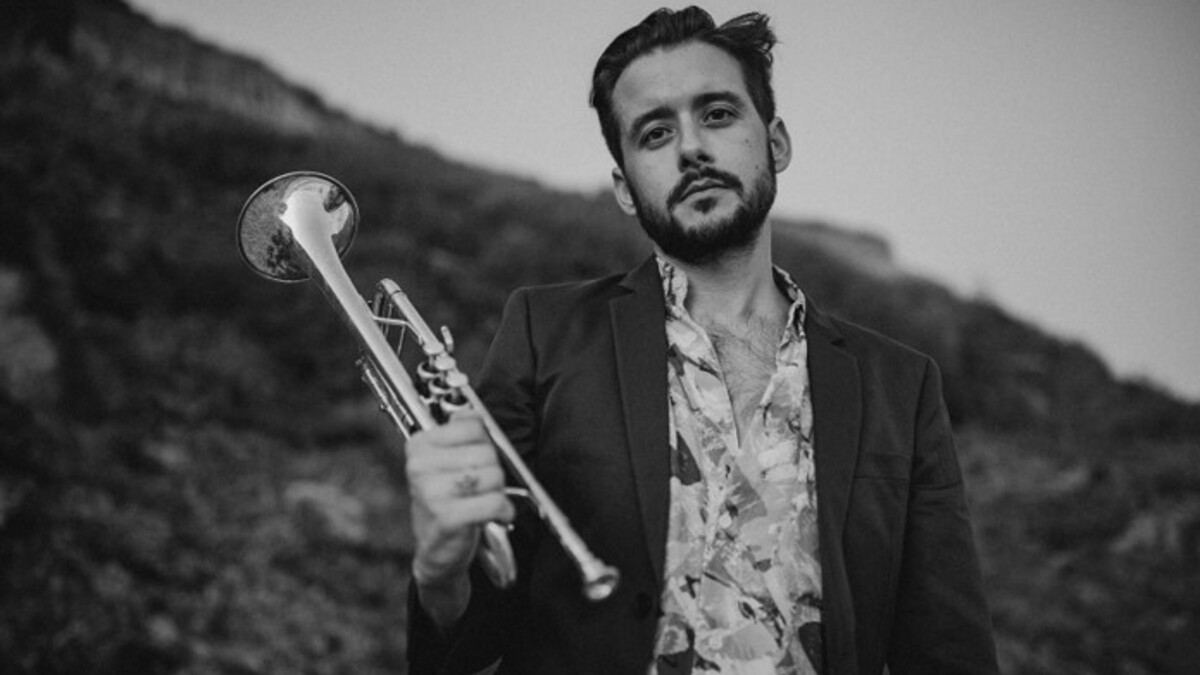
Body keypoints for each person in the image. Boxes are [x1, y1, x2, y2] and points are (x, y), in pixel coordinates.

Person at [405, 7, 999, 674]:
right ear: (625, 188)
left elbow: (950, 651)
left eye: (717, 115)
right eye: (655, 133)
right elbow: (469, 634)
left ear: (775, 143)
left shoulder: (900, 383)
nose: (691, 148)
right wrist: (438, 572)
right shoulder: (545, 334)